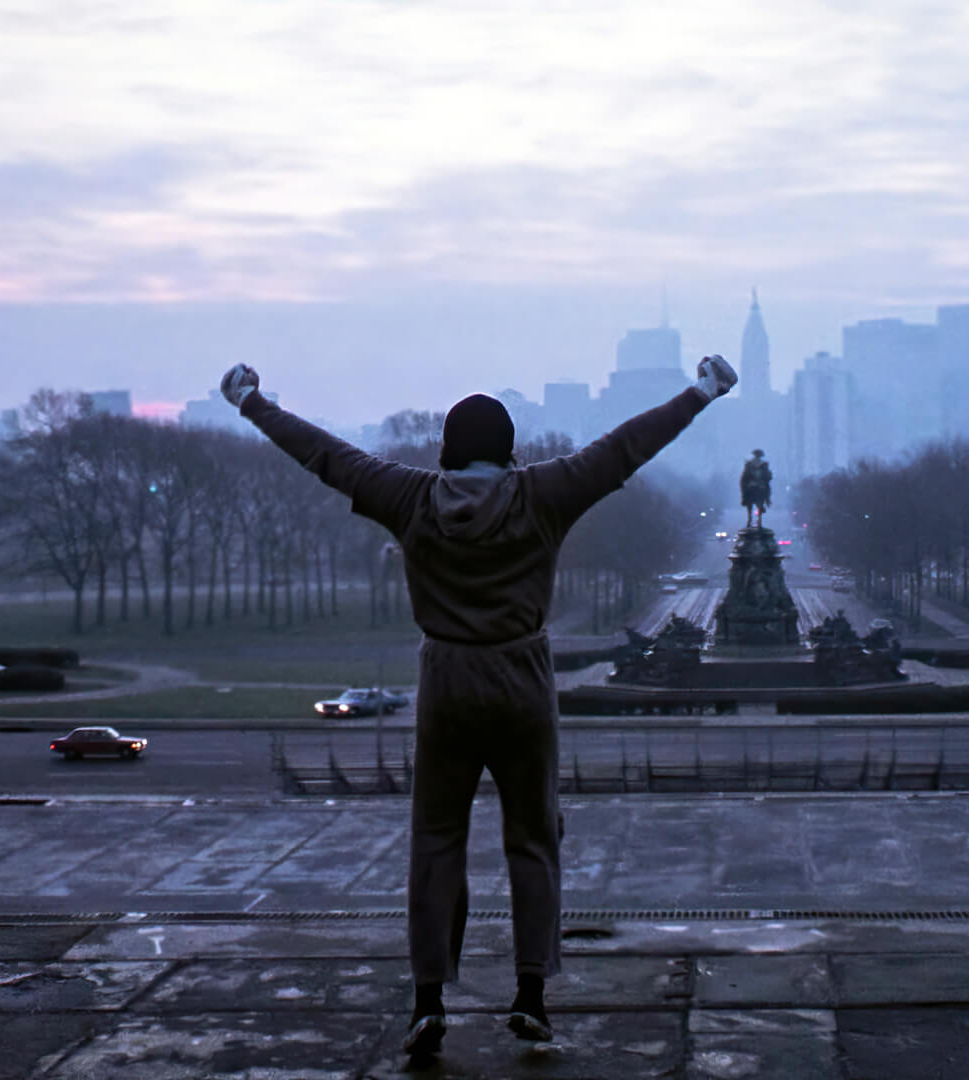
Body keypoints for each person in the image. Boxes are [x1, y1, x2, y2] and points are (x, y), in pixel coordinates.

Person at [219, 353, 737, 1057]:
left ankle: (428, 1001)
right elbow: (625, 448)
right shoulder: (543, 494)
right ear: (510, 451)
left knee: (437, 840)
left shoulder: (410, 497)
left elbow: (326, 456)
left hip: (447, 680)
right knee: (533, 839)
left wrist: (252, 402)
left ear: (447, 450)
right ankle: (531, 995)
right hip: (522, 676)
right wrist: (701, 392)